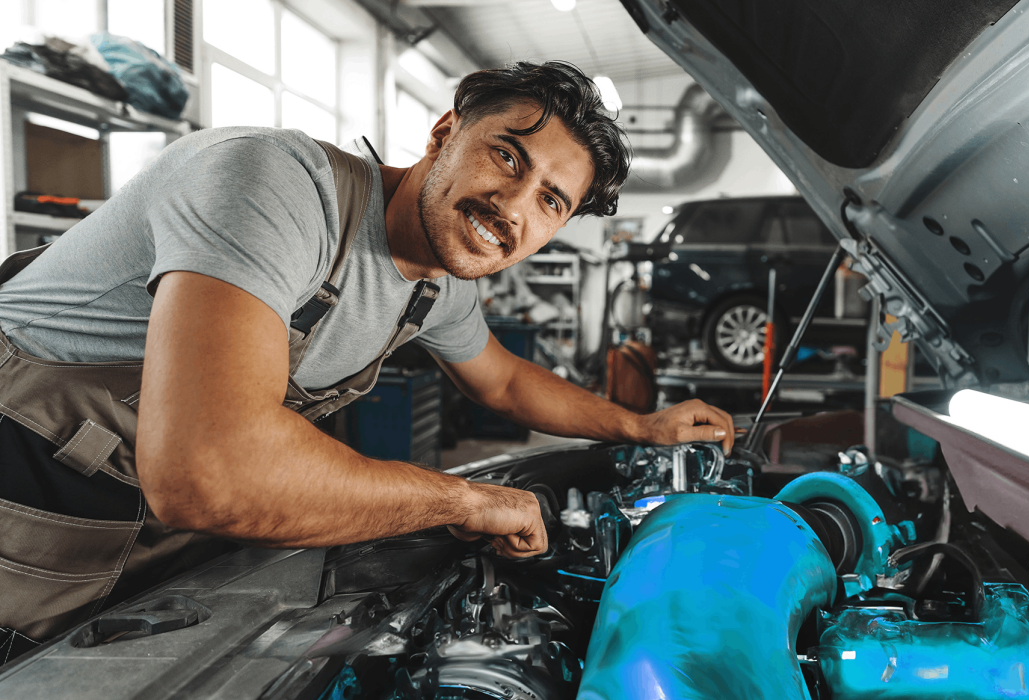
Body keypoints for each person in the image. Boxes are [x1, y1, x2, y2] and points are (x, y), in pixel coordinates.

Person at [0, 61, 734, 658]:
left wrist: (642, 427)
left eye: (550, 201)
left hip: (154, 548)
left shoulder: (433, 287)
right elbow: (208, 470)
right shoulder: (275, 185)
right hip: (24, 516)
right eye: (506, 155)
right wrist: (465, 499)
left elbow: (506, 380)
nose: (512, 204)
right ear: (444, 132)